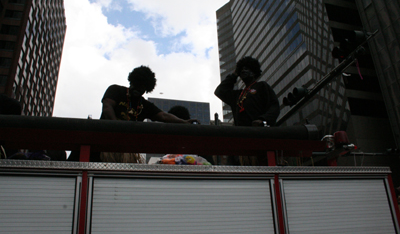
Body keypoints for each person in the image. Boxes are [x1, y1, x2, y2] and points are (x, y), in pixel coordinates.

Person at [69, 65, 198, 162]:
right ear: (131, 81)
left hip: (125, 149)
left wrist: (183, 122)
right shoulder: (116, 90)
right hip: (102, 145)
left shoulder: (144, 105)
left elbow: (163, 116)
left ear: (146, 89)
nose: (138, 90)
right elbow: (107, 108)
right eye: (136, 85)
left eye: (142, 88)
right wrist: (117, 127)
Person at [214, 56, 280, 165]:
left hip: (259, 137)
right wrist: (234, 75)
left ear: (254, 72)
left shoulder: (262, 86)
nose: (244, 71)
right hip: (240, 139)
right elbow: (220, 91)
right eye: (242, 69)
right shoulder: (237, 95)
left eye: (247, 69)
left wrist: (263, 120)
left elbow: (274, 106)